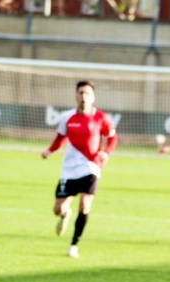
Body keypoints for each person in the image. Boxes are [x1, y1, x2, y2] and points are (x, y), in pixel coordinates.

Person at [42, 80, 118, 259]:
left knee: (85, 204)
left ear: (93, 97)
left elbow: (113, 138)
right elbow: (60, 139)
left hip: (91, 167)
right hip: (68, 170)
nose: (84, 97)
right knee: (57, 209)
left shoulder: (101, 117)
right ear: (76, 95)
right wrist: (49, 151)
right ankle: (65, 213)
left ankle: (74, 245)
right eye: (81, 93)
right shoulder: (67, 117)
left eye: (87, 94)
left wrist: (106, 153)